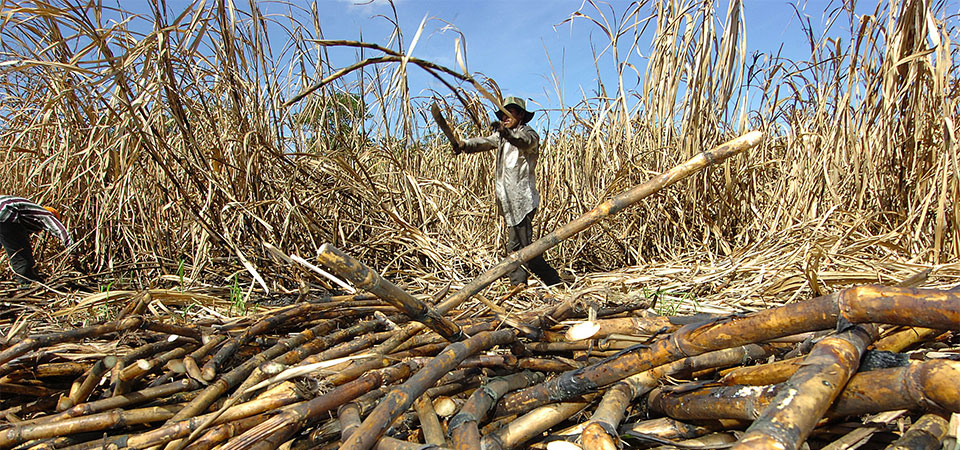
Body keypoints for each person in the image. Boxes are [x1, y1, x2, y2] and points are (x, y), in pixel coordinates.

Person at [454, 96, 563, 287]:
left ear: (520, 115)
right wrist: (463, 145)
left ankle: (528, 284)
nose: (504, 118)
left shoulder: (528, 134)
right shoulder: (502, 139)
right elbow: (484, 142)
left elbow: (523, 141)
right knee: (524, 248)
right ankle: (545, 283)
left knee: (519, 249)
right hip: (509, 202)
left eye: (509, 113)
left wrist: (507, 134)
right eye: (502, 115)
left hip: (523, 201)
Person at [0, 196, 72, 285]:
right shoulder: (46, 213)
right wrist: (71, 248)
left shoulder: (26, 216)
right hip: (4, 210)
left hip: (3, 210)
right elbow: (60, 229)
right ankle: (26, 283)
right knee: (21, 255)